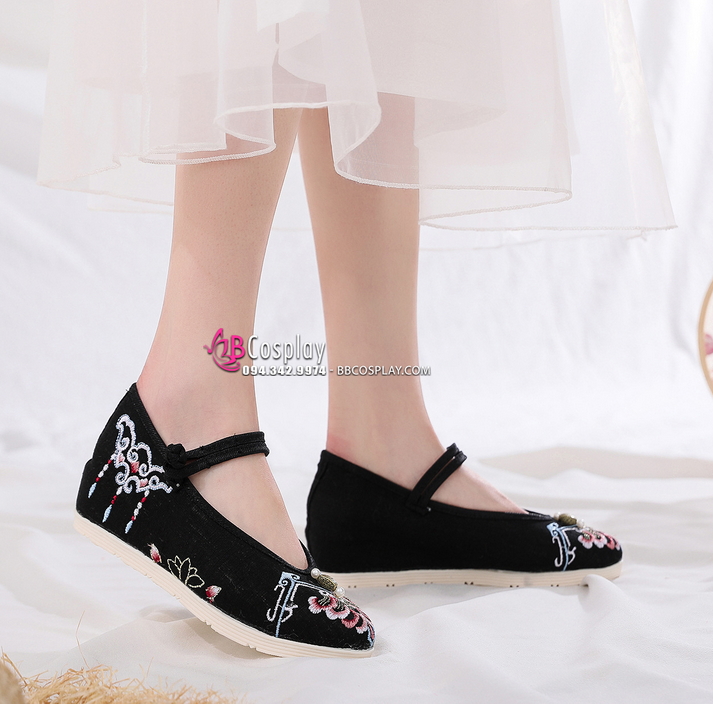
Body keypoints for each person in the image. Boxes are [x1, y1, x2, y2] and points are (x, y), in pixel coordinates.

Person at [39, 0, 674, 658]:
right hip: (176, 450)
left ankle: (382, 449)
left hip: (384, 470)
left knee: (386, 19)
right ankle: (188, 408)